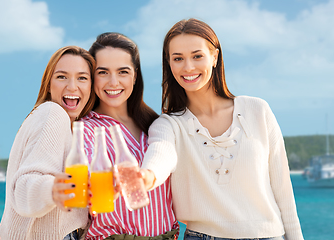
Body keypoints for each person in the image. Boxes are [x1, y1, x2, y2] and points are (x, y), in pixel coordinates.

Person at [141, 18, 305, 240]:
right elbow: (161, 153)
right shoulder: (168, 124)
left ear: (215, 57)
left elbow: (284, 191)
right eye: (177, 58)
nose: (188, 67)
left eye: (197, 56)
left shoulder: (257, 110)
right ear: (169, 63)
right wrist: (146, 176)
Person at [80, 32, 178, 240]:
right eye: (103, 72)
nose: (113, 82)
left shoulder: (156, 125)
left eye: (122, 72)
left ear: (134, 76)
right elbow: (87, 169)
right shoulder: (85, 129)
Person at [0, 46, 96, 240]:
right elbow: (24, 187)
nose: (72, 86)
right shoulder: (53, 114)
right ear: (48, 84)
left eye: (82, 78)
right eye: (62, 77)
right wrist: (52, 189)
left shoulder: (66, 126)